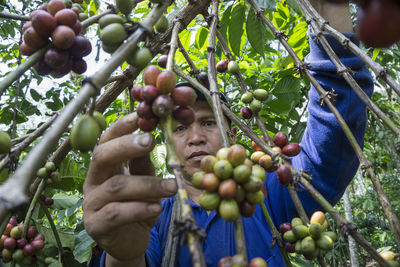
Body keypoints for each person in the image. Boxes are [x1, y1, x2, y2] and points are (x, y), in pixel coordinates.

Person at [84, 1, 374, 266]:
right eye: (182, 127)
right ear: (167, 143)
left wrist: (329, 8)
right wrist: (124, 256)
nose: (196, 136)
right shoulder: (153, 215)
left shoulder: (265, 192)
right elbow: (136, 255)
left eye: (209, 123)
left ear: (232, 134)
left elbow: (335, 132)